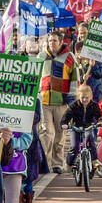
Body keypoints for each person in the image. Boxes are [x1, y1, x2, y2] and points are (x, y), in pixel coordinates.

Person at [37, 30, 75, 173]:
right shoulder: (41, 57)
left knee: (60, 134)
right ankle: (45, 163)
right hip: (44, 101)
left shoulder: (69, 57)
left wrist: (72, 100)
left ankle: (57, 163)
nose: (52, 43)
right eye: (50, 40)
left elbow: (75, 79)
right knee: (47, 134)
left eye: (54, 41)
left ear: (60, 42)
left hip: (62, 102)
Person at [60, 84, 102, 168]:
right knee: (75, 147)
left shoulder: (94, 105)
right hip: (75, 127)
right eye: (82, 97)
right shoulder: (74, 105)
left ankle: (94, 160)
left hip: (87, 127)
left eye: (87, 97)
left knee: (91, 143)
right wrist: (64, 123)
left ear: (91, 97)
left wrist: (101, 121)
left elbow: (100, 115)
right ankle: (69, 163)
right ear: (78, 96)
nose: (84, 99)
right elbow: (67, 116)